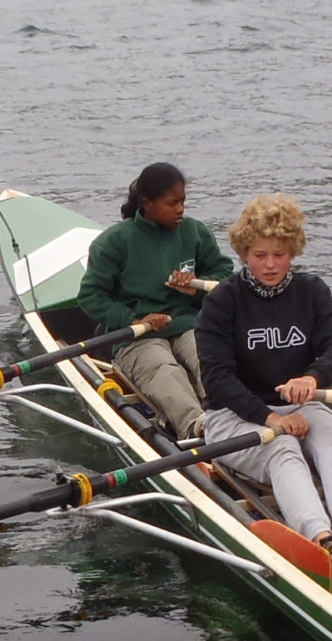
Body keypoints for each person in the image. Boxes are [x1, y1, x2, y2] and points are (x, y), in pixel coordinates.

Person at [193, 193, 332, 544]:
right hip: (233, 416)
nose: (270, 265)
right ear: (244, 254)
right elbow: (216, 379)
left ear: (293, 252)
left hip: (299, 404)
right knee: (283, 449)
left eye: (280, 254)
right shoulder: (222, 301)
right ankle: (318, 539)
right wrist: (271, 419)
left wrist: (313, 377)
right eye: (259, 255)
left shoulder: (311, 291)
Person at [75, 162, 233, 438]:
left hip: (188, 324)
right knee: (165, 371)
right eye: (172, 203)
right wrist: (133, 320)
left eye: (183, 201)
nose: (181, 209)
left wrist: (195, 287)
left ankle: (231, 414)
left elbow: (222, 274)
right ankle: (198, 428)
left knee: (207, 358)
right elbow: (91, 296)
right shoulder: (114, 242)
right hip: (138, 336)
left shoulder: (195, 233)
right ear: (147, 204)